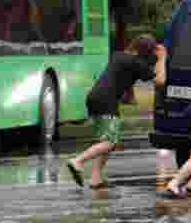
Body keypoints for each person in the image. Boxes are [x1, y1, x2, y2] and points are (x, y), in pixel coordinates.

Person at [66, 35, 167, 189]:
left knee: (107, 141)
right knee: (110, 141)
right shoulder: (136, 63)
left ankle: (96, 178)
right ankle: (78, 161)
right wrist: (162, 58)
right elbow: (160, 80)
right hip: (106, 101)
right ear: (147, 52)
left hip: (95, 97)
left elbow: (126, 77)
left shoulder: (119, 56)